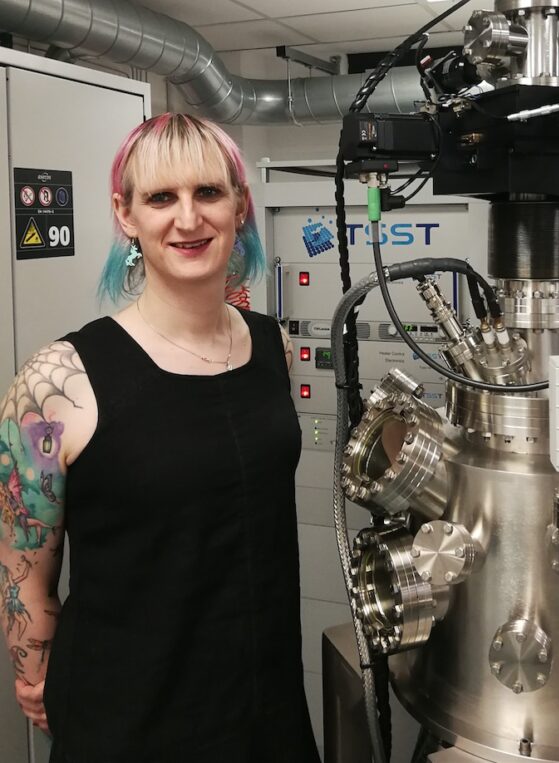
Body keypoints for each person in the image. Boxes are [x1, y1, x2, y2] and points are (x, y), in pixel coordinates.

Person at [0, 113, 320, 762]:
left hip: (266, 710)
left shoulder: (271, 347)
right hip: (129, 722)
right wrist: (36, 675)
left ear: (240, 205)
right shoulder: (57, 383)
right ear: (125, 214)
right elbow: (24, 573)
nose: (188, 218)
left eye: (208, 192)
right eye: (161, 197)